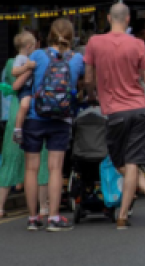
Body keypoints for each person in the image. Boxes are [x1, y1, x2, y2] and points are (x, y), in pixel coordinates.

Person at [84, 4, 145, 230]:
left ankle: (125, 214)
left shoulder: (94, 42)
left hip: (114, 111)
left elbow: (89, 78)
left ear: (109, 18)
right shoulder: (138, 44)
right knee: (131, 162)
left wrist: (93, 95)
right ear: (128, 19)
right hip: (139, 108)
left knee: (119, 162)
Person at [13, 19, 85, 231]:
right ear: (72, 36)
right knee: (55, 168)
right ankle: (53, 217)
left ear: (49, 35)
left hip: (35, 117)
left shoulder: (37, 55)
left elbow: (21, 81)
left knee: (31, 168)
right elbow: (81, 84)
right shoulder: (77, 59)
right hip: (61, 118)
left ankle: (33, 218)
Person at [0, 33, 49, 220]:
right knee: (41, 158)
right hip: (34, 111)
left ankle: (0, 206)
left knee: (11, 158)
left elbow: (12, 84)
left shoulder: (10, 63)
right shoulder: (35, 62)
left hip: (15, 112)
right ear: (31, 45)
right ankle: (43, 207)